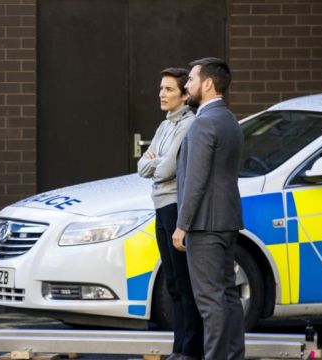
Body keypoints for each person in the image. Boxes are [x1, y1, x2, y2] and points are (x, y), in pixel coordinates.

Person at [172, 57, 245, 359]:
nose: (186, 85)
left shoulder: (204, 122)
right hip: (227, 220)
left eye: (190, 79)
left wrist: (182, 225)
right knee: (228, 296)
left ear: (207, 83)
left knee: (210, 301)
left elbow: (196, 180)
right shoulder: (229, 120)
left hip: (204, 224)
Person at [137, 68, 203, 360]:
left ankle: (190, 349)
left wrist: (155, 162)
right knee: (173, 284)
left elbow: (165, 169)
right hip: (160, 205)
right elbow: (142, 167)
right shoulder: (165, 126)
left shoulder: (188, 125)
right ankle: (179, 348)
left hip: (175, 205)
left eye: (169, 89)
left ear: (185, 95)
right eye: (161, 88)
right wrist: (154, 162)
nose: (162, 94)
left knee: (185, 283)